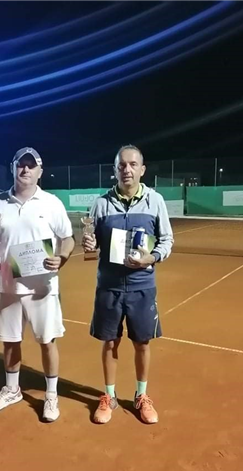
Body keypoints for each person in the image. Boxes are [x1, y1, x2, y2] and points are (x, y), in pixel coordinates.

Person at [0, 147, 75, 422]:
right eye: (21, 164)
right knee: (10, 341)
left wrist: (62, 257)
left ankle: (51, 395)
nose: (26, 170)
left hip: (43, 287)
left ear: (40, 171)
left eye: (32, 165)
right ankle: (12, 389)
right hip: (7, 284)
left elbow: (68, 238)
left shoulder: (51, 203)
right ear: (13, 167)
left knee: (47, 341)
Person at [82, 145, 174, 424]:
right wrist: (89, 244)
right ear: (115, 170)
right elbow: (92, 244)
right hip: (109, 286)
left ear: (142, 170)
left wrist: (151, 257)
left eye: (133, 164)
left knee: (142, 343)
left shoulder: (155, 201)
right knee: (110, 342)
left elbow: (167, 240)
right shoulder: (101, 204)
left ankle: (141, 396)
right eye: (122, 165)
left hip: (142, 286)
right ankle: (109, 396)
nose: (127, 169)